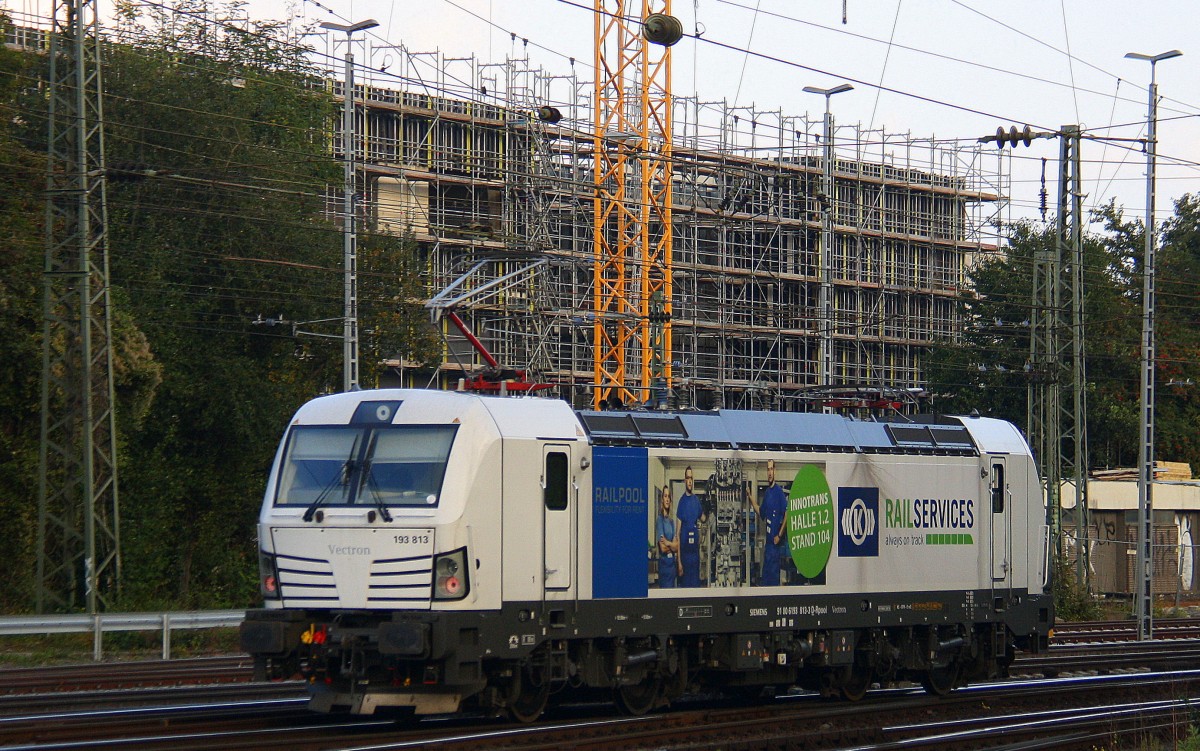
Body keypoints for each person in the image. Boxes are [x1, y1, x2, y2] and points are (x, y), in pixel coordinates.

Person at [749, 459, 788, 586]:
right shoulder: (767, 493)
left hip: (775, 547)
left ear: (775, 471)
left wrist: (780, 535)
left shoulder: (779, 493)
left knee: (773, 582)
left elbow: (787, 514)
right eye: (768, 469)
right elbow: (761, 512)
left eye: (771, 469)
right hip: (768, 547)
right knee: (765, 580)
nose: (769, 472)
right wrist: (750, 497)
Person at [676, 466, 706, 587]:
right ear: (685, 481)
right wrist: (679, 562)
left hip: (695, 557)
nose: (690, 481)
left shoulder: (696, 501)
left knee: (695, 590)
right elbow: (677, 535)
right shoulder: (681, 503)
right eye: (688, 478)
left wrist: (710, 508)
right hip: (685, 558)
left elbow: (704, 519)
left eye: (691, 478)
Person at [654, 484, 680, 588]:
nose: (667, 499)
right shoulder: (659, 520)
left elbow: (677, 547)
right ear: (662, 499)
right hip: (664, 566)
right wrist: (672, 546)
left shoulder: (671, 521)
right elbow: (663, 548)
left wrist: (668, 543)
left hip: (672, 567)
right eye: (665, 496)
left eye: (669, 496)